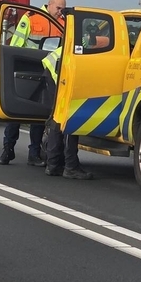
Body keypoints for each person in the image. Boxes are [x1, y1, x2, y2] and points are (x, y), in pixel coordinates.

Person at [0, 0, 66, 166]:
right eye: (58, 8)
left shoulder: (64, 23)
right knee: (16, 114)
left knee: (39, 116)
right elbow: (15, 46)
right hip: (27, 70)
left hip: (48, 73)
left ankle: (34, 154)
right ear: (49, 5)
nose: (61, 12)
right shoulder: (31, 18)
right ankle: (7, 150)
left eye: (62, 9)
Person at [42, 17, 91, 180]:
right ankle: (70, 166)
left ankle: (53, 165)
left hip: (54, 73)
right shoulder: (87, 44)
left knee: (58, 119)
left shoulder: (79, 39)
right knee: (70, 119)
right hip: (61, 77)